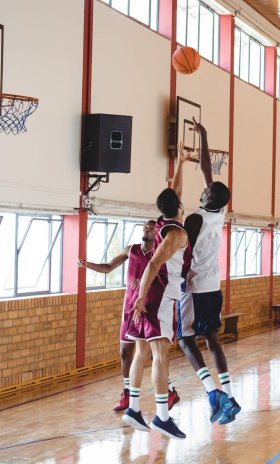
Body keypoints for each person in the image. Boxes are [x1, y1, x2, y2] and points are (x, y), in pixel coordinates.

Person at [122, 151, 191, 439]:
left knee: (142, 352)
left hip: (148, 293)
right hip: (159, 295)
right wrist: (141, 298)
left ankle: (133, 408)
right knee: (161, 357)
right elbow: (153, 264)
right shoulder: (176, 234)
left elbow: (174, 191)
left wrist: (182, 163)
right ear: (180, 207)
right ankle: (162, 416)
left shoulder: (162, 221)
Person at [175, 120, 240, 425]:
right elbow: (207, 172)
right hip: (214, 285)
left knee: (186, 340)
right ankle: (230, 394)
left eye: (204, 191)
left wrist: (177, 280)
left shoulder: (194, 219)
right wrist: (203, 135)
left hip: (195, 286)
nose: (202, 190)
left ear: (206, 198)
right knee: (212, 340)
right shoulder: (220, 211)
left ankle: (213, 393)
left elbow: (184, 254)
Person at [82, 220, 180, 412]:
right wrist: (87, 264)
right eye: (145, 227)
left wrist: (144, 284)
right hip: (129, 308)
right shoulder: (131, 250)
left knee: (154, 354)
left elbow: (165, 280)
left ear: (158, 232)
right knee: (125, 352)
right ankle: (127, 393)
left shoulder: (162, 253)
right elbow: (108, 267)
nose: (147, 229)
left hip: (150, 307)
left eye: (151, 228)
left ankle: (168, 390)